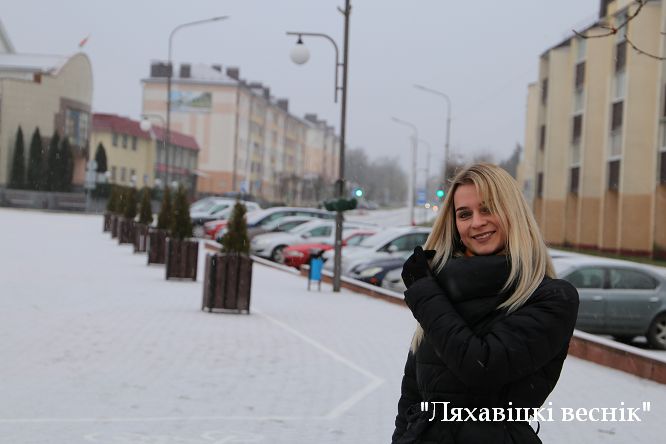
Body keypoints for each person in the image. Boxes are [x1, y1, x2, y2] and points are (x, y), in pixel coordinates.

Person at [391, 163, 579, 444]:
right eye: (464, 214)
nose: (476, 222)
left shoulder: (551, 297)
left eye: (488, 209)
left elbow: (481, 368)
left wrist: (425, 294)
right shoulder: (442, 292)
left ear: (513, 212)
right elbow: (412, 395)